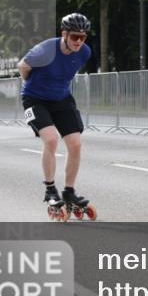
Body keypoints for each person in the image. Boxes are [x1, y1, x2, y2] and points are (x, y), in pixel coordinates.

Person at [19, 13, 96, 221]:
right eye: (74, 37)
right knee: (51, 140)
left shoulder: (84, 53)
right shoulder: (45, 50)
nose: (79, 41)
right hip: (34, 99)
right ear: (64, 34)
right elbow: (22, 67)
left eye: (82, 37)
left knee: (75, 144)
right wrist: (34, 85)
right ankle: (50, 189)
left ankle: (69, 191)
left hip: (61, 99)